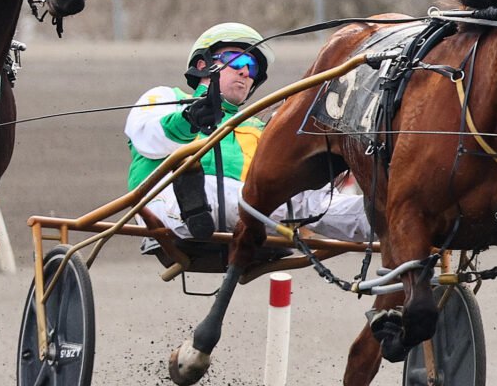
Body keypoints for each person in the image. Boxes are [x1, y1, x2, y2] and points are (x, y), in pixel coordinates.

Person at [128, 23, 369, 247]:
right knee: (214, 187)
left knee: (311, 201)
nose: (245, 71)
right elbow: (146, 137)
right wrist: (190, 118)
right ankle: (196, 203)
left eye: (252, 67)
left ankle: (391, 218)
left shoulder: (257, 127)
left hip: (247, 209)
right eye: (236, 60)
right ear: (203, 64)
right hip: (167, 203)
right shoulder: (166, 97)